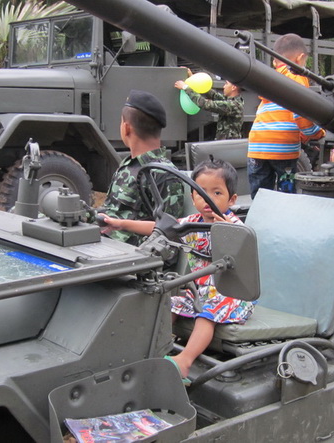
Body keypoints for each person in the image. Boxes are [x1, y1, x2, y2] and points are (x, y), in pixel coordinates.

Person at [102, 158, 255, 381]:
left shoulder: (234, 227)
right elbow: (157, 227)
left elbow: (243, 256)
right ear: (192, 196)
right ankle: (150, 352)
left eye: (217, 193)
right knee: (168, 305)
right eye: (201, 193)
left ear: (232, 199)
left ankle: (185, 360)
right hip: (199, 292)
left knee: (207, 313)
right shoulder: (191, 222)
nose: (207, 199)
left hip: (232, 296)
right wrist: (121, 224)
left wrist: (227, 230)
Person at [247, 33, 325, 198]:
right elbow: (301, 114)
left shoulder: (268, 78)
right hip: (283, 149)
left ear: (274, 61)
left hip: (257, 147)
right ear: (300, 58)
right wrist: (316, 133)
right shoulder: (297, 77)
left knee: (260, 196)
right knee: (286, 194)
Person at [102, 89, 184, 245]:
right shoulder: (129, 164)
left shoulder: (163, 174)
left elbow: (170, 232)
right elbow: (111, 210)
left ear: (126, 128)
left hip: (135, 254)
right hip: (108, 245)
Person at [175, 68, 244, 140]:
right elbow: (213, 95)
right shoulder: (232, 101)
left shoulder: (233, 105)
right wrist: (192, 79)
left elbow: (204, 104)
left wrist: (185, 87)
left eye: (226, 84)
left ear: (233, 87)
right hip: (225, 143)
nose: (224, 86)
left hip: (228, 144)